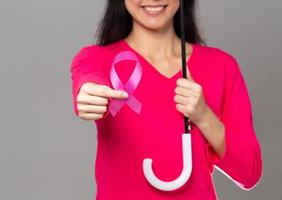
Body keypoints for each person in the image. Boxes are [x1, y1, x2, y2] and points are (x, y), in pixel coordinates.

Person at [69, 0, 262, 199]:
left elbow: (249, 172)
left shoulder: (221, 66)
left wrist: (204, 116)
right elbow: (88, 77)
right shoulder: (97, 58)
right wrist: (88, 93)